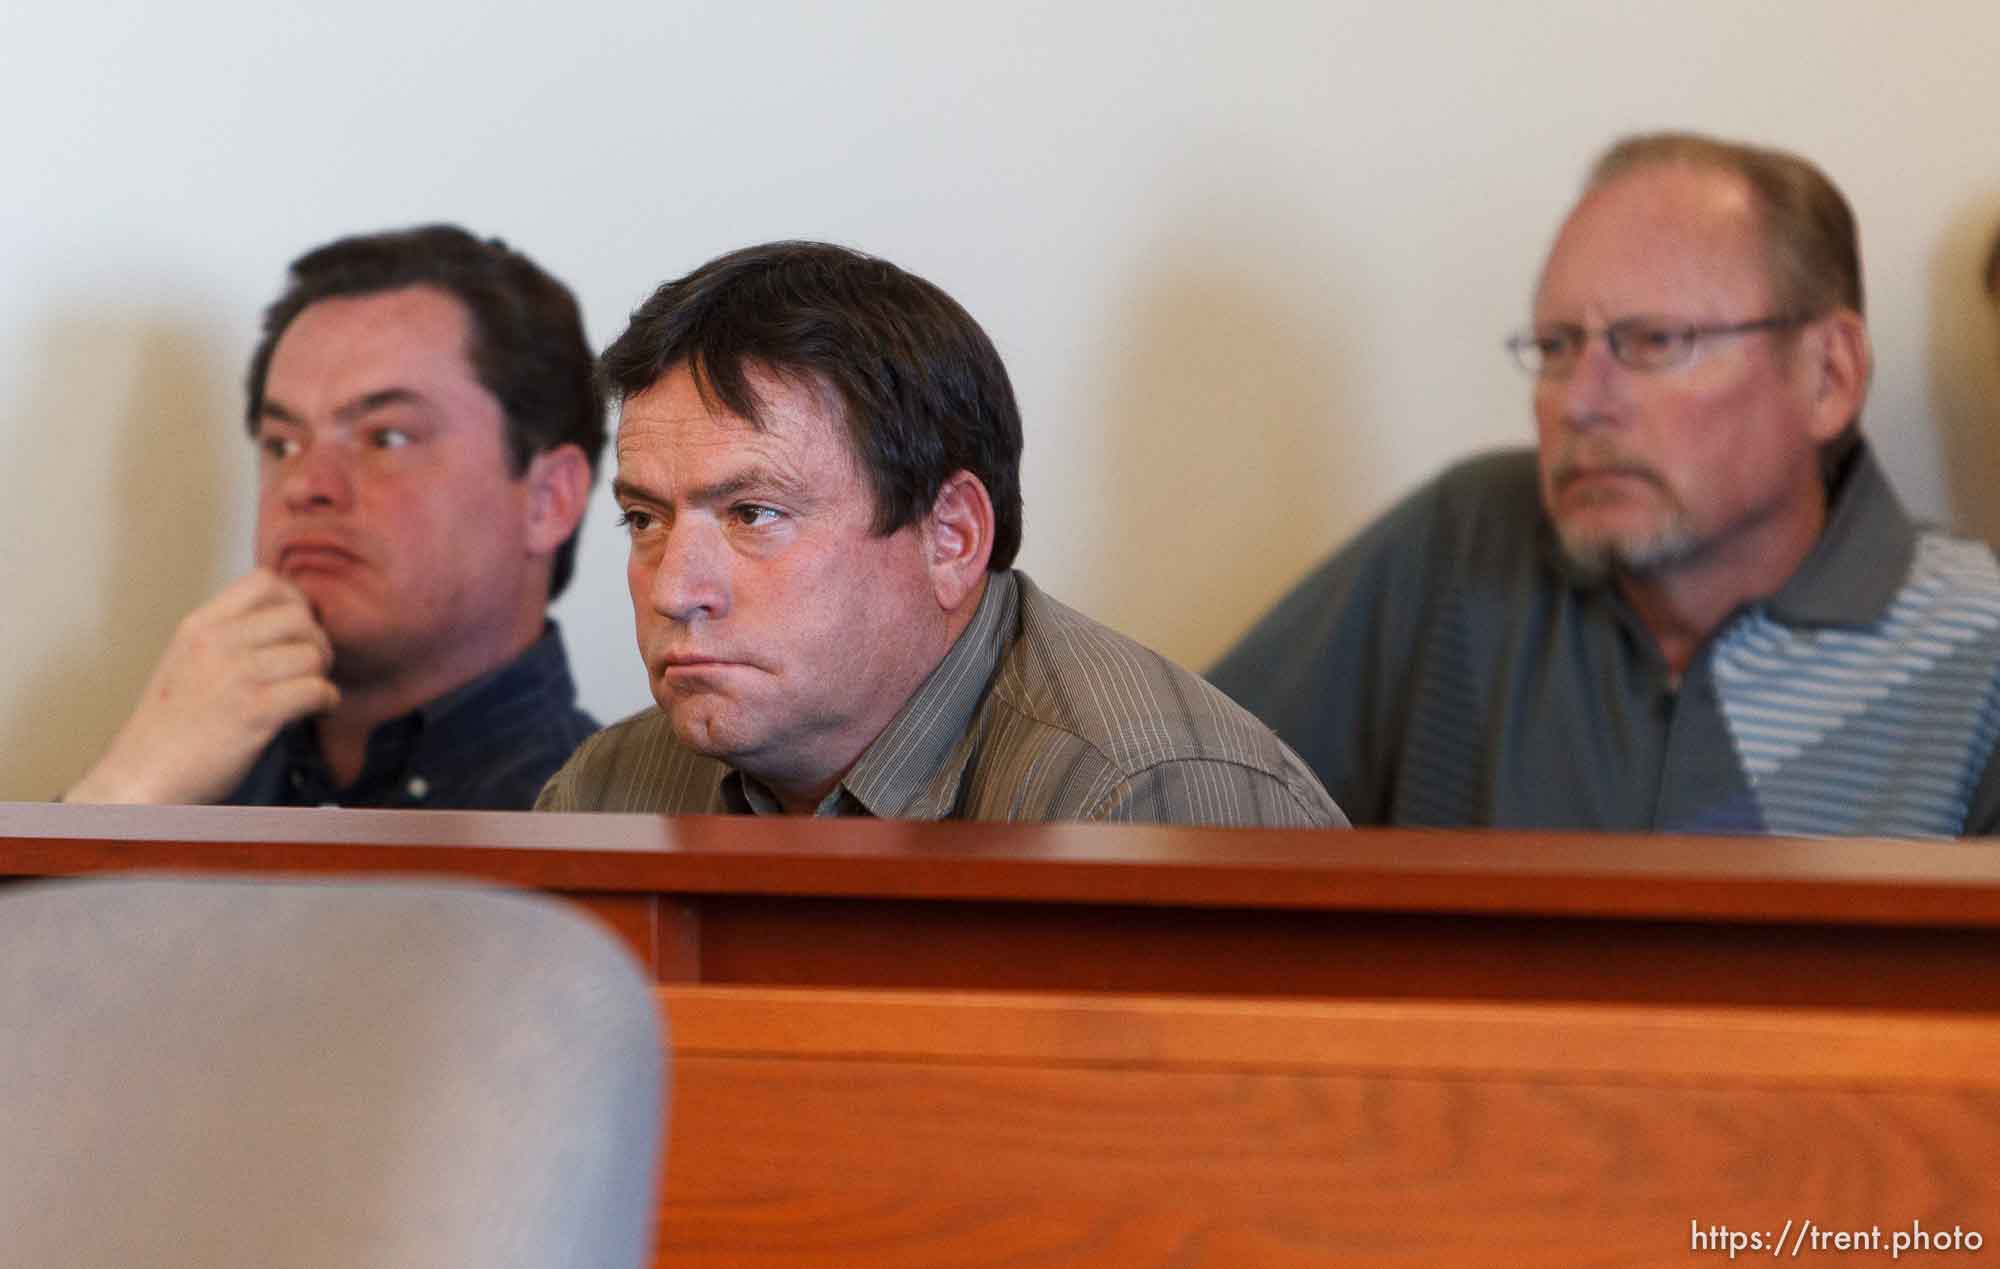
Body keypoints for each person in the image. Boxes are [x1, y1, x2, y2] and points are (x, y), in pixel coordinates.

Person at [1211, 131, 2000, 835]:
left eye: (1654, 341)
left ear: (1829, 375)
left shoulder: (1979, 646)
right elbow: (1181, 795)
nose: (1583, 402)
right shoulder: (1464, 543)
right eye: (1556, 346)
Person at [537, 241, 1342, 826]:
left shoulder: (1147, 803)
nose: (676, 590)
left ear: (950, 538)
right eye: (645, 519)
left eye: (755, 514)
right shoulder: (609, 792)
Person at [64, 226, 605, 809]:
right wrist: (125, 791)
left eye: (386, 436)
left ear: (549, 498)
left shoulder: (616, 827)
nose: (305, 486)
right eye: (281, 444)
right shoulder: (177, 777)